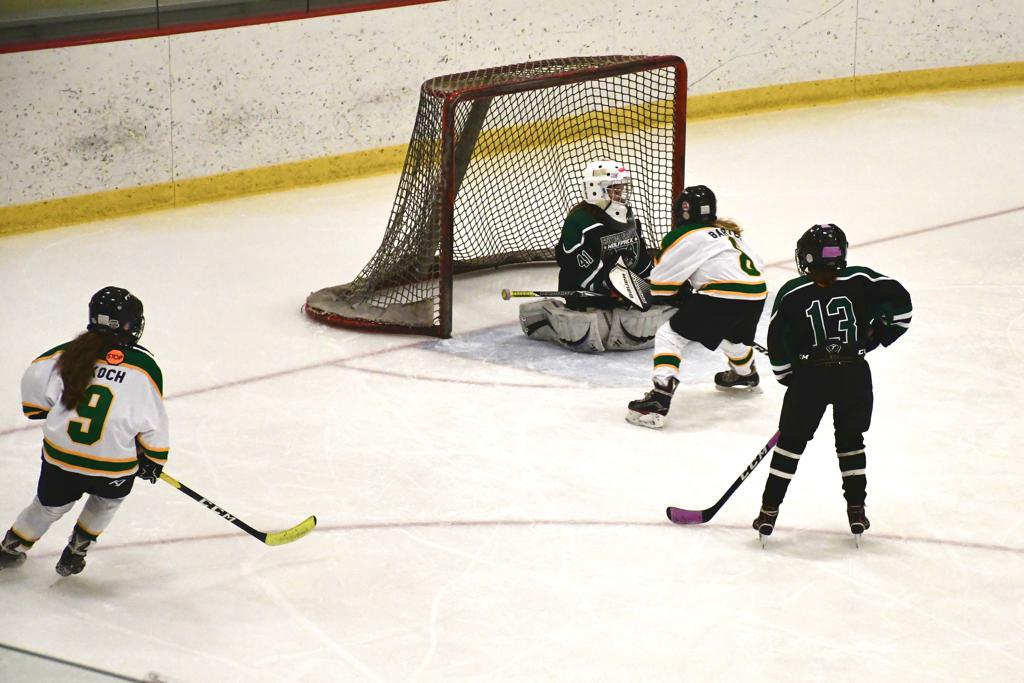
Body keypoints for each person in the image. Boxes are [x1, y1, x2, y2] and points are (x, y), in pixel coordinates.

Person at [752, 224, 912, 542]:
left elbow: (778, 344)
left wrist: (792, 380)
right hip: (854, 374)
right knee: (851, 442)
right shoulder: (862, 278)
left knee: (790, 445)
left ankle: (768, 511)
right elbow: (902, 309)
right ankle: (857, 510)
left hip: (811, 378)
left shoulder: (793, 291)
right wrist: (874, 336)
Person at [0, 286, 169, 576]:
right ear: (131, 324)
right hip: (112, 463)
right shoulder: (144, 366)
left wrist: (51, 414)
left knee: (46, 506)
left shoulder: (64, 354)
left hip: (61, 456)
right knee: (107, 501)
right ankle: (76, 550)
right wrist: (154, 458)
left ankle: (10, 548)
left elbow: (34, 398)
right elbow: (151, 420)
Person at [626, 185, 768, 428]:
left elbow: (661, 287)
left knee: (670, 336)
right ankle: (746, 374)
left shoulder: (682, 236)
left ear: (682, 212)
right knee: (732, 337)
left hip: (721, 295)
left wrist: (680, 295)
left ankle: (660, 397)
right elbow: (757, 264)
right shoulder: (728, 232)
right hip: (757, 293)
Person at [519, 160, 672, 353]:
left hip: (619, 291)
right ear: (596, 190)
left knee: (656, 310)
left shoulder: (626, 215)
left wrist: (650, 283)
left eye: (621, 189)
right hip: (588, 294)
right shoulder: (579, 221)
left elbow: (639, 257)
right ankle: (545, 316)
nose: (620, 195)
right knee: (592, 328)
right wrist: (617, 287)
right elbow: (579, 269)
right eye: (614, 190)